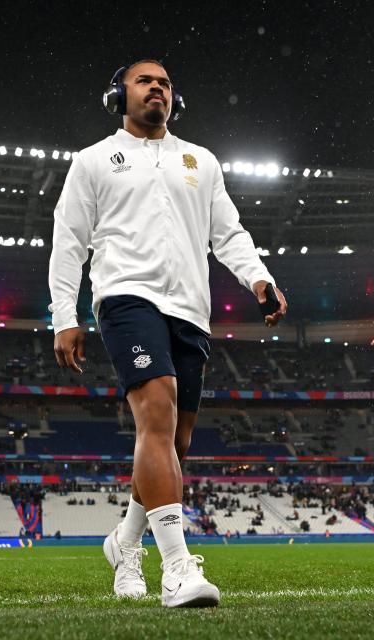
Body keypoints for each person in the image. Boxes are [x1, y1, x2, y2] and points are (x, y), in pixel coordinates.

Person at [49, 59, 287, 608]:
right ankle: (178, 569)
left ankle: (125, 542)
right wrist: (65, 313)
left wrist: (260, 280)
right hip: (127, 297)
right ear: (118, 96)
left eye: (165, 82)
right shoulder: (91, 162)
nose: (157, 87)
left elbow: (227, 232)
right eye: (144, 80)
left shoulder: (200, 161)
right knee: (155, 415)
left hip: (190, 310)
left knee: (174, 444)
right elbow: (69, 240)